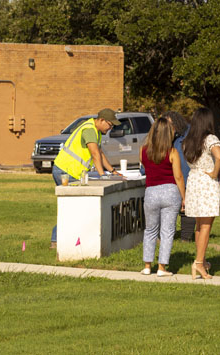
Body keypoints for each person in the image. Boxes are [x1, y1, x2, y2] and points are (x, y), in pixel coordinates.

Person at [50, 108, 125, 247]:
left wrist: (113, 171)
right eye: (110, 125)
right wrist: (102, 175)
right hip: (65, 172)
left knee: (73, 208)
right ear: (101, 120)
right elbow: (95, 153)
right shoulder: (89, 130)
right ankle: (57, 240)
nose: (110, 129)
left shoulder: (96, 131)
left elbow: (100, 153)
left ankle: (63, 240)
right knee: (73, 208)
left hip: (71, 172)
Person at [140, 116, 187, 276]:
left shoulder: (143, 150)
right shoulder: (172, 152)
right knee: (167, 231)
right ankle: (161, 267)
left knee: (150, 230)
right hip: (170, 192)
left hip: (151, 192)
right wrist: (184, 197)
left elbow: (146, 167)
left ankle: (147, 266)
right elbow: (178, 176)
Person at [182, 107, 220, 279]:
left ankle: (201, 260)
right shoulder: (210, 138)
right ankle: (199, 263)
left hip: (193, 181)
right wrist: (215, 172)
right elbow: (219, 157)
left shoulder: (188, 140)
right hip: (207, 183)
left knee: (199, 225)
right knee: (206, 225)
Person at [165, 111, 195, 242]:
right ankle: (166, 236)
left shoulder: (189, 134)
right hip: (170, 179)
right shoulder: (166, 135)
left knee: (187, 208)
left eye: (170, 125)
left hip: (187, 176)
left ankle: (186, 238)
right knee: (168, 209)